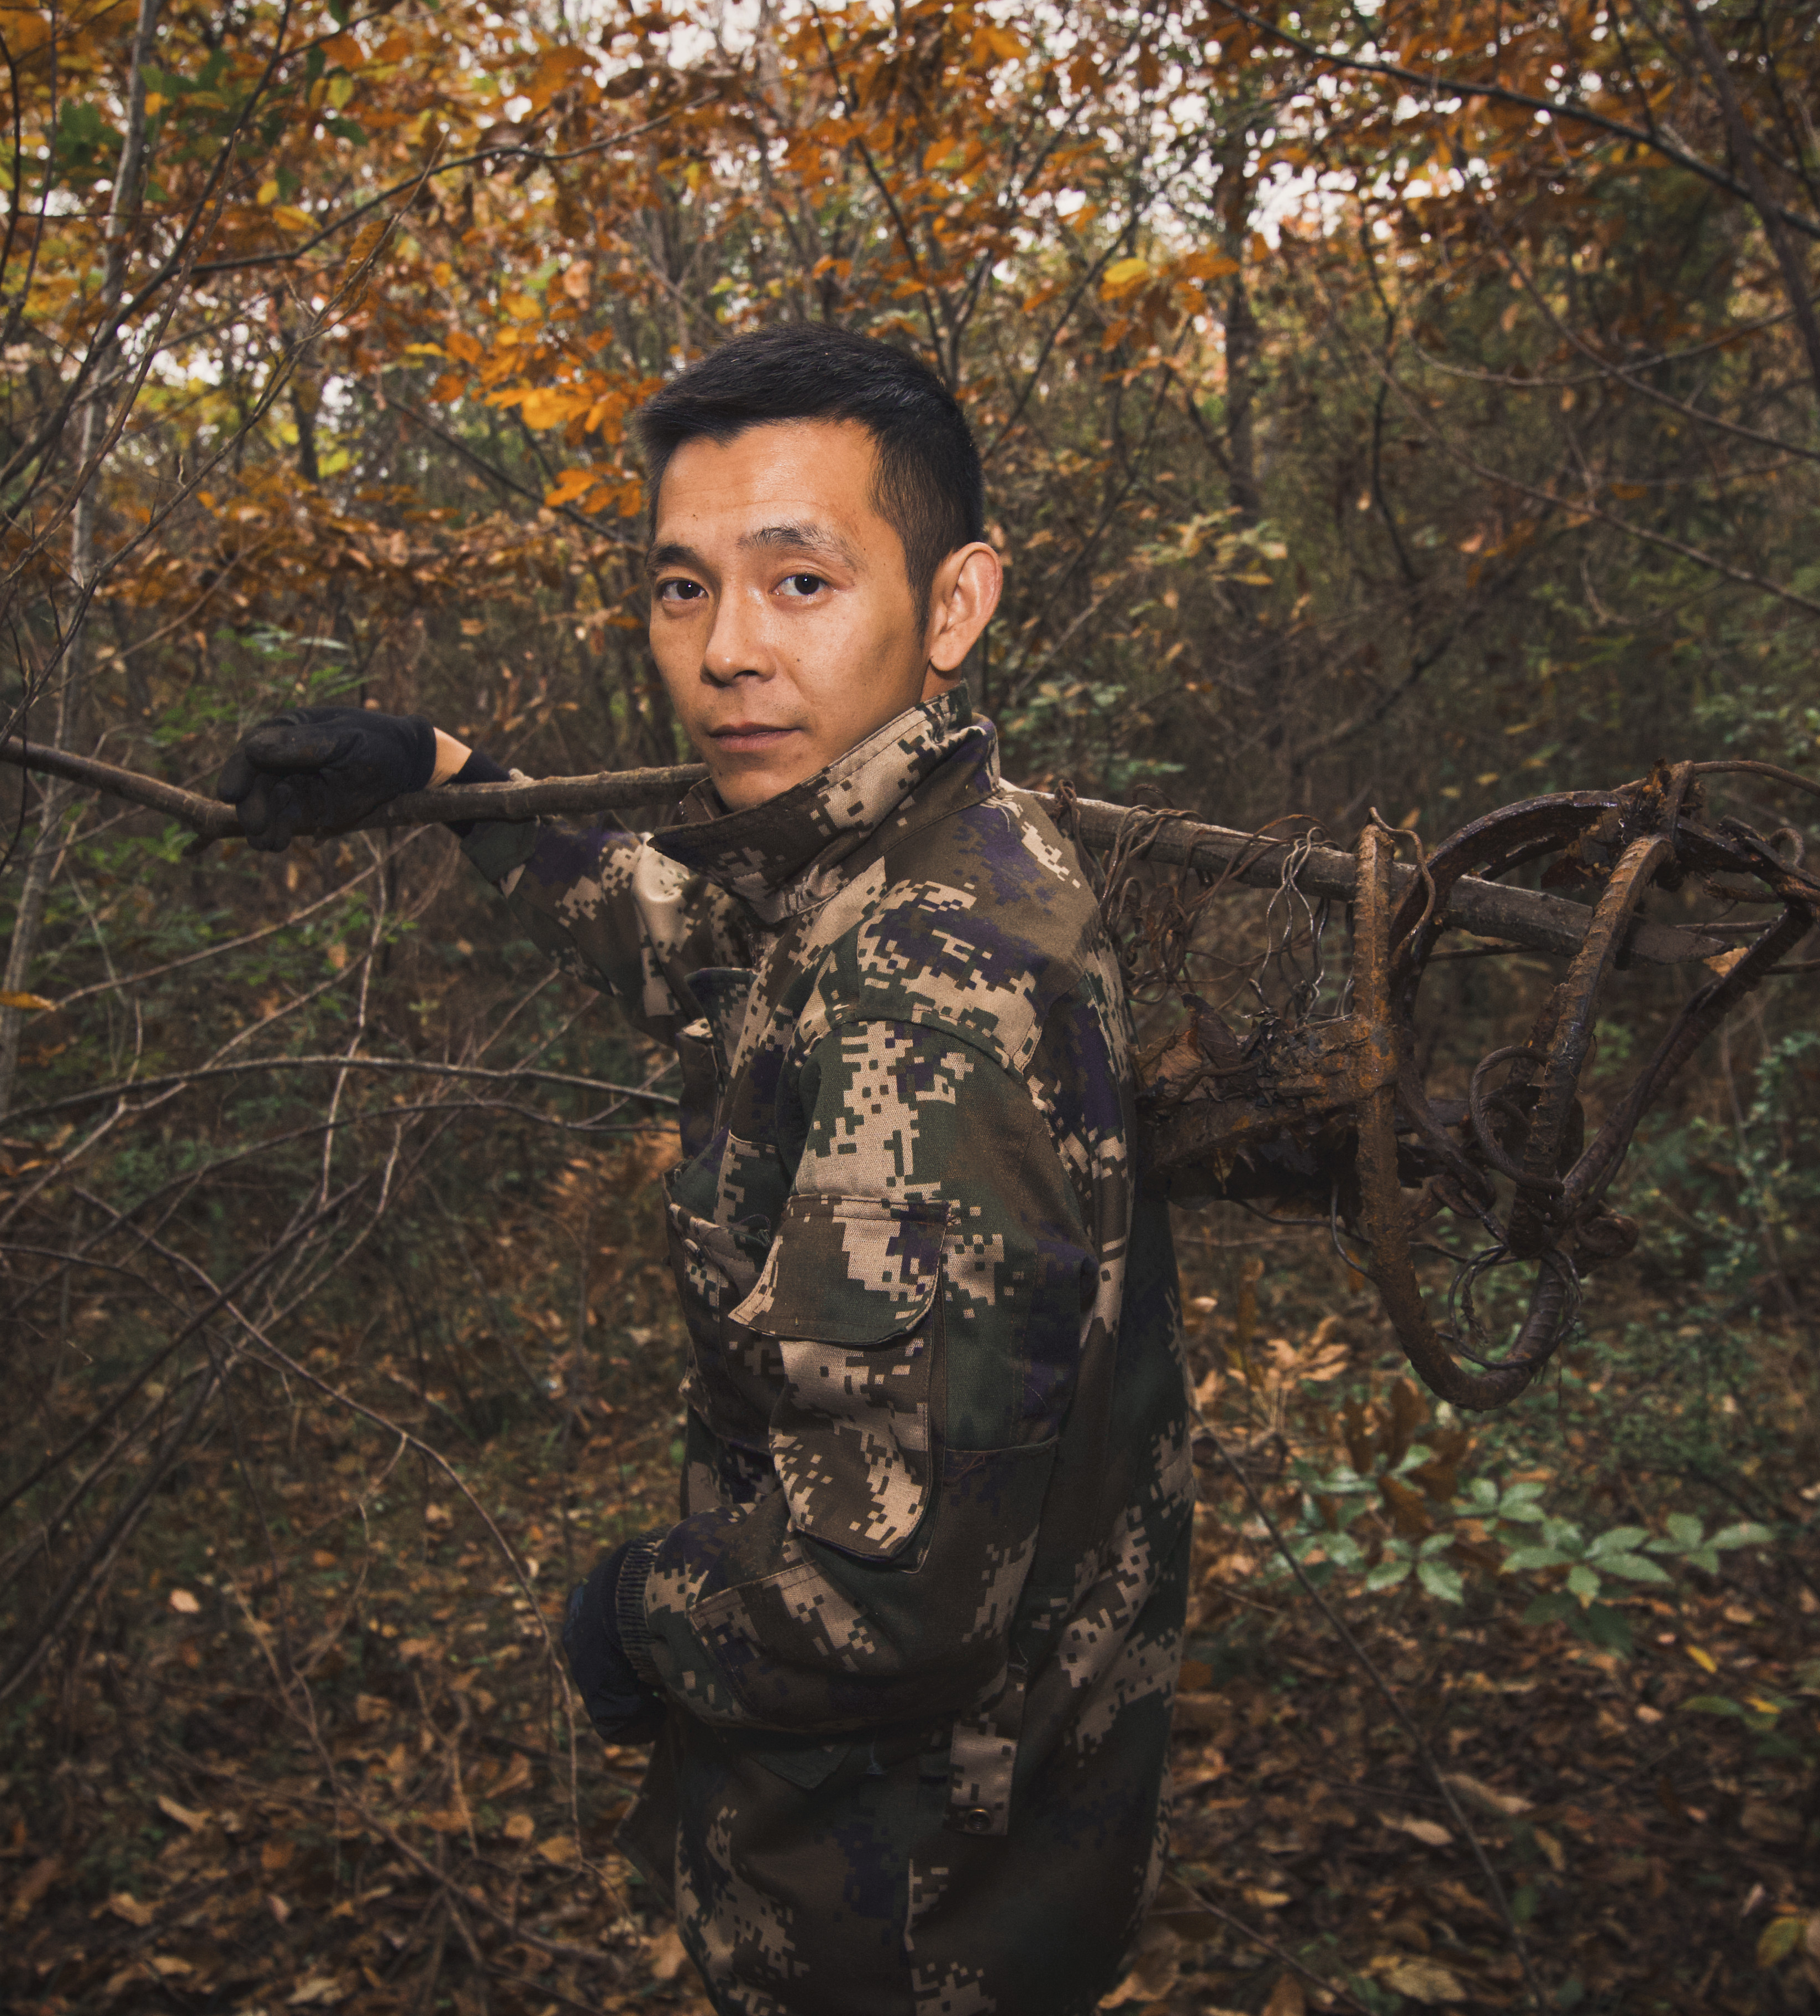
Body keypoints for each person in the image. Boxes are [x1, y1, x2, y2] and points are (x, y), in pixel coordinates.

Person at [214, 323, 1189, 2015]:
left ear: (953, 606)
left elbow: (884, 1590)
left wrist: (628, 1615)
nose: (727, 651)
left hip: (901, 1908)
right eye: (683, 590)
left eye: (800, 583)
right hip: (963, 1850)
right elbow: (697, 948)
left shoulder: (935, 985)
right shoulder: (901, 852)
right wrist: (453, 785)